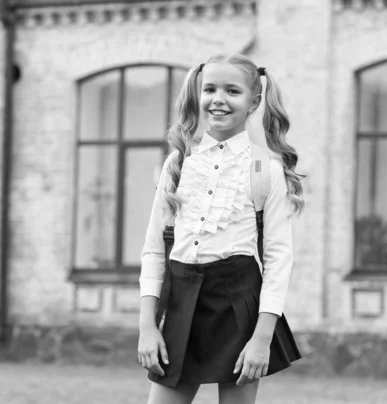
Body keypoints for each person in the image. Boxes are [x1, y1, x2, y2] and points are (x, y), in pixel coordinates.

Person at [137, 52, 305, 404]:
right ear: (198, 94)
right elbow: (154, 249)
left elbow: (278, 260)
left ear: (254, 101)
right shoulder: (177, 164)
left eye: (232, 91)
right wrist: (147, 325)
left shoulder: (265, 169)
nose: (218, 99)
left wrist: (262, 337)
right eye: (210, 89)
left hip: (238, 302)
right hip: (182, 301)